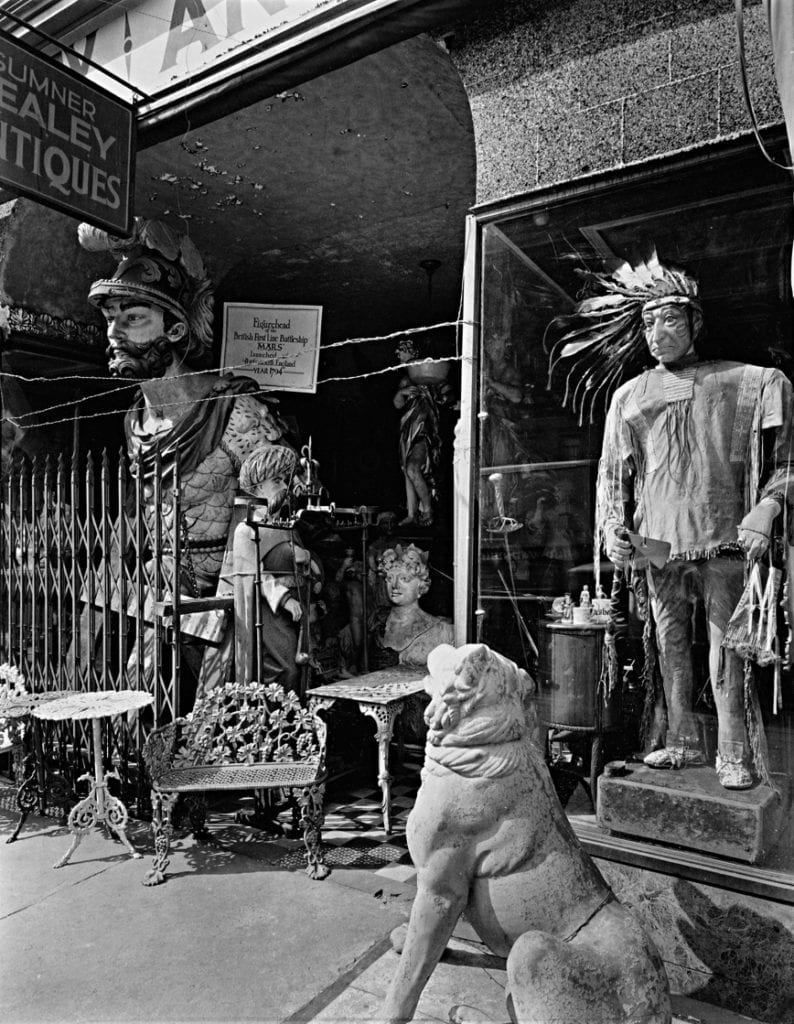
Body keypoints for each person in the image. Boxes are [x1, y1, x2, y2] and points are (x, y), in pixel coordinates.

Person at [575, 254, 794, 790]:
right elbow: (612, 474)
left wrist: (768, 506)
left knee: (726, 644)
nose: (657, 332)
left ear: (695, 322)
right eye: (649, 322)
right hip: (654, 539)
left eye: (670, 319)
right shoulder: (629, 396)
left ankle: (734, 751)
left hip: (723, 534)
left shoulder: (754, 382)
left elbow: (788, 461)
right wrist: (611, 529)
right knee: (669, 639)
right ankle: (680, 739)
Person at [76, 218, 297, 692]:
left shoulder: (231, 409)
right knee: (134, 696)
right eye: (110, 317)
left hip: (236, 592)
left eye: (133, 317)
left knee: (231, 702)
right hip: (164, 584)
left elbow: (277, 506)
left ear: (175, 331)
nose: (114, 331)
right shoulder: (136, 419)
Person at [231, 445, 321, 696]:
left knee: (303, 669)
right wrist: (284, 599)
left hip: (298, 610)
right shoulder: (248, 530)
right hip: (269, 615)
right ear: (258, 487)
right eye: (276, 481)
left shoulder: (288, 526)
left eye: (286, 480)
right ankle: (275, 722)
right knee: (286, 669)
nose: (285, 487)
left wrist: (311, 567)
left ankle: (296, 723)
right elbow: (253, 573)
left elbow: (299, 559)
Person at [393, 336, 454, 526]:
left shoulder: (430, 378)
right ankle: (412, 513)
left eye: (401, 349)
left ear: (413, 353)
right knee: (407, 470)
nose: (397, 353)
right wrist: (401, 394)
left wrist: (447, 399)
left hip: (424, 432)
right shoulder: (406, 380)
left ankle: (428, 509)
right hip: (407, 432)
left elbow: (448, 394)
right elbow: (397, 405)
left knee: (413, 468)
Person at [370, 543, 453, 667]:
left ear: (421, 585)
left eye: (404, 579)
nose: (394, 586)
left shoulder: (441, 631)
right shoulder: (375, 623)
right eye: (390, 579)